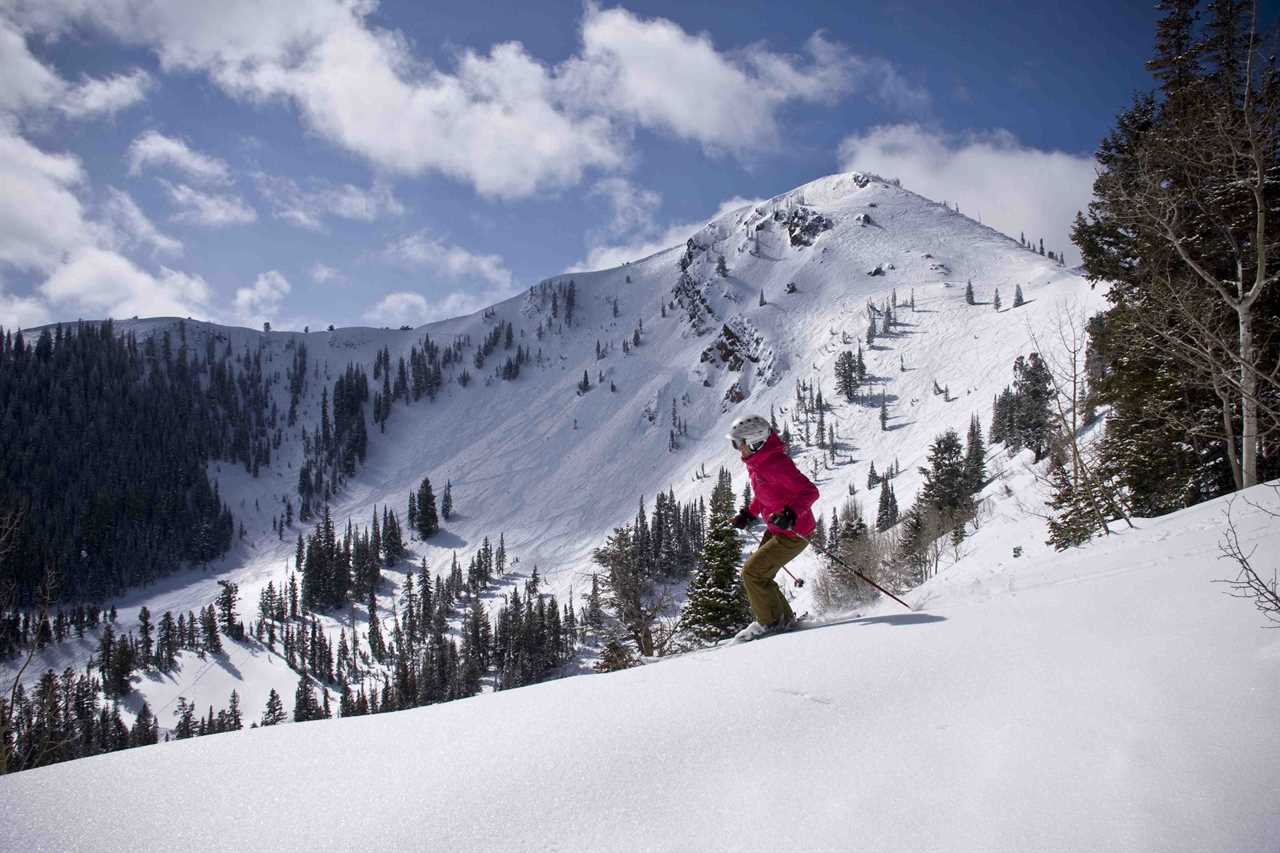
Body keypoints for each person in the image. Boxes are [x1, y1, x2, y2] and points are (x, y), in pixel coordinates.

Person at [727, 414, 820, 640]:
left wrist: (790, 513)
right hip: (778, 529)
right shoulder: (759, 463)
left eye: (740, 443)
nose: (738, 449)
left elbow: (810, 491)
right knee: (760, 575)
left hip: (794, 533)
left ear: (755, 442)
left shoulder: (775, 465)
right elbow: (765, 494)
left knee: (752, 573)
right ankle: (782, 621)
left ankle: (772, 625)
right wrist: (748, 513)